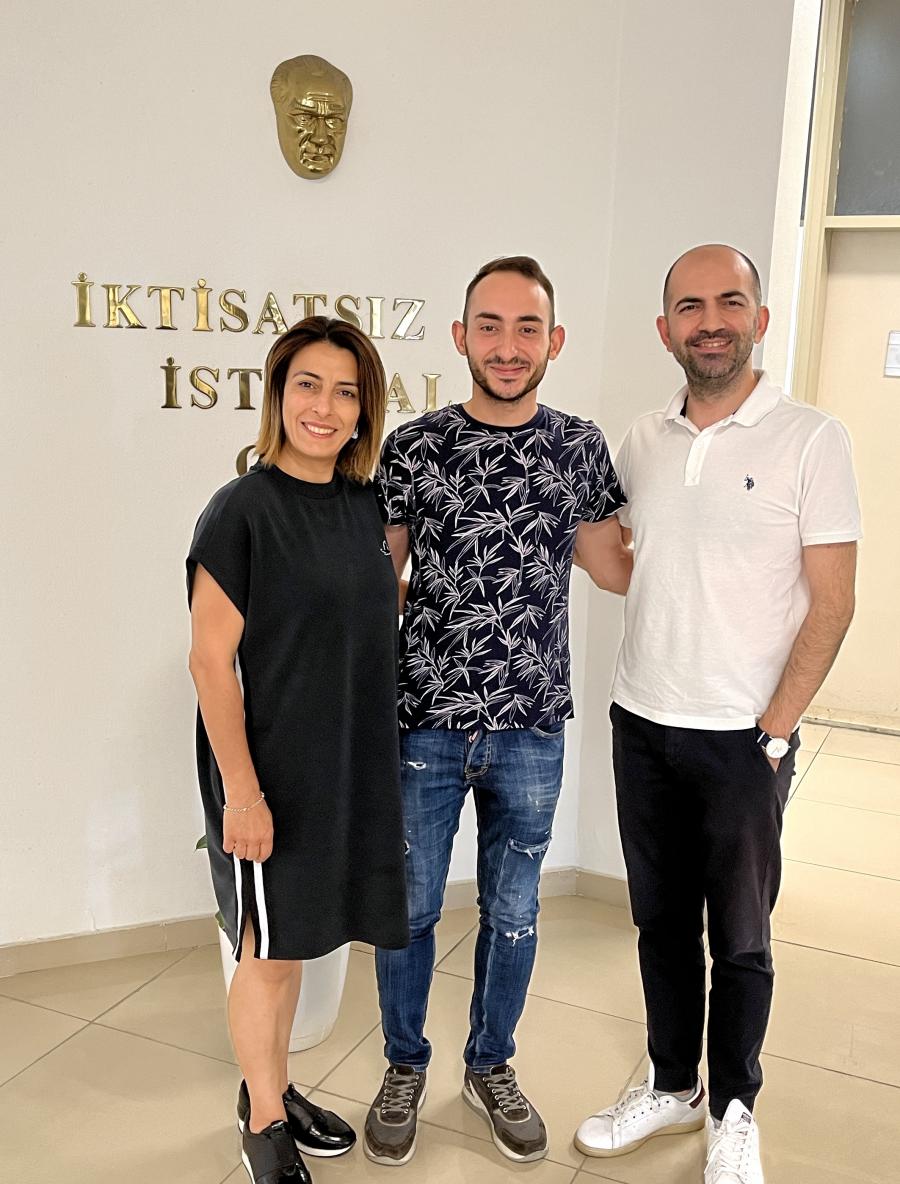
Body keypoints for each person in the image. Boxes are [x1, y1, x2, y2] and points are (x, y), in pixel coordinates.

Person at [574, 245, 860, 1184]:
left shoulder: (813, 439)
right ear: (665, 329)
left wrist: (776, 729)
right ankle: (672, 1085)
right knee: (660, 923)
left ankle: (736, 1108)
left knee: (739, 938)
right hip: (641, 720)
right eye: (690, 307)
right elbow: (623, 563)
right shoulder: (642, 438)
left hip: (745, 737)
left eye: (729, 302)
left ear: (759, 319)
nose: (710, 322)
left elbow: (833, 603)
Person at [364, 256, 632, 1167]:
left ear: (554, 341)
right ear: (460, 337)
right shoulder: (415, 447)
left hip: (531, 726)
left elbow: (615, 568)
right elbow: (378, 582)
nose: (508, 346)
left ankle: (490, 1064)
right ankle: (404, 1066)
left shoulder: (580, 447)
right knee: (410, 910)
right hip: (425, 722)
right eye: (490, 326)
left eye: (527, 328)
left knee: (514, 910)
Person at [187, 316, 409, 1184]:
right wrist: (242, 794)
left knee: (302, 943)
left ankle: (271, 1089)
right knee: (270, 953)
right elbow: (210, 662)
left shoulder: (364, 506)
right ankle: (262, 1126)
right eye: (308, 385)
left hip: (345, 764)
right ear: (278, 395)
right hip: (270, 773)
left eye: (346, 391)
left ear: (365, 410)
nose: (325, 406)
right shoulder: (242, 510)